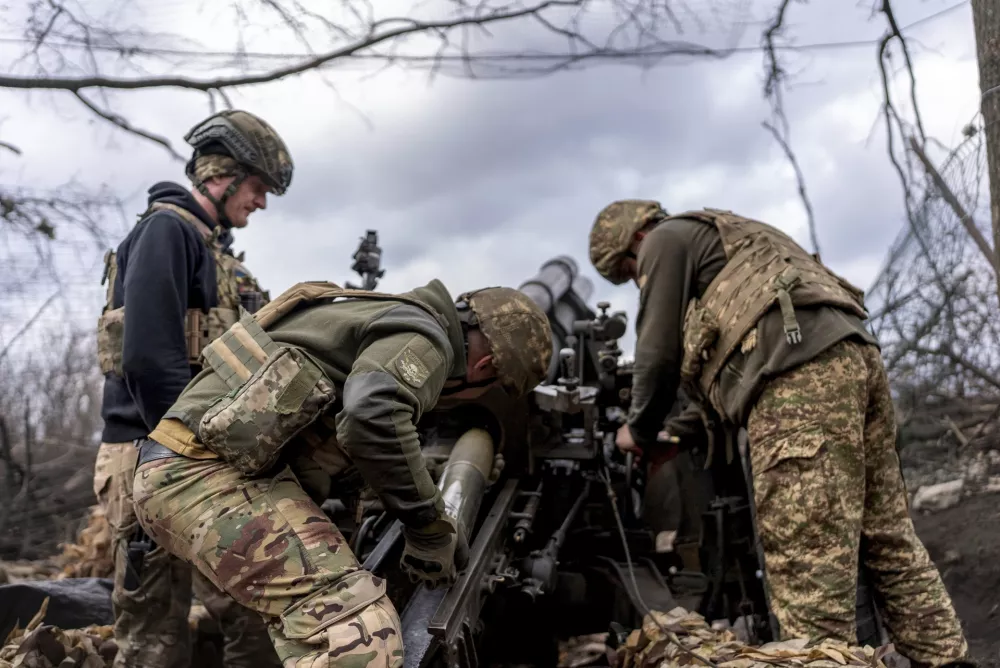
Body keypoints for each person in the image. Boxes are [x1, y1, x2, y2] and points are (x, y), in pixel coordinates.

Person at [587, 200, 970, 667]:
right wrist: (678, 435)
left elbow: (657, 353)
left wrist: (640, 431)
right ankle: (946, 659)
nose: (637, 278)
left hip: (796, 383)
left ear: (636, 241)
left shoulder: (665, 240)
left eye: (629, 271)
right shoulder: (736, 237)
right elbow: (730, 367)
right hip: (855, 360)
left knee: (809, 563)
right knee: (887, 536)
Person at [129, 280, 553, 667]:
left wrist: (414, 485)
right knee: (361, 636)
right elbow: (370, 416)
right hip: (201, 477)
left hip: (191, 471)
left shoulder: (384, 316)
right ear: (482, 370)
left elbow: (343, 437)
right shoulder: (428, 340)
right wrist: (428, 526)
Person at [93, 109, 294, 668]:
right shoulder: (167, 232)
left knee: (247, 616)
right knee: (154, 638)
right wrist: (194, 450)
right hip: (154, 450)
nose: (261, 202)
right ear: (221, 175)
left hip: (191, 451)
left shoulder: (211, 250)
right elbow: (149, 359)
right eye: (257, 187)